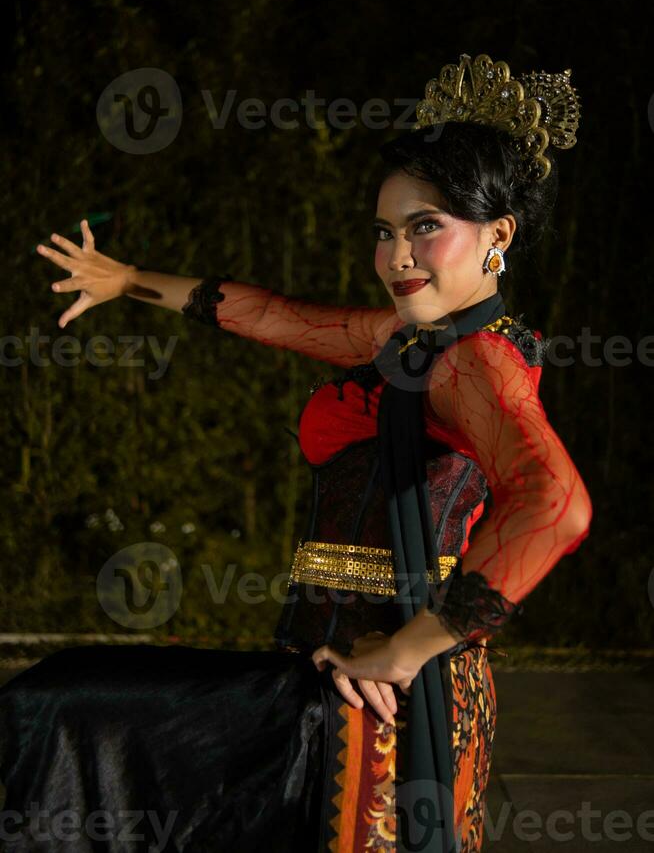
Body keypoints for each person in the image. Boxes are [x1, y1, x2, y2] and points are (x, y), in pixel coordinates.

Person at [0, 53, 592, 853]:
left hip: (372, 700)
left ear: (499, 237)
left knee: (56, 711)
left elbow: (555, 504)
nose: (397, 257)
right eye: (384, 233)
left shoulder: (473, 361)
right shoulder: (411, 341)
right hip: (322, 679)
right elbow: (274, 316)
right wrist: (130, 279)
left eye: (426, 227)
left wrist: (412, 645)